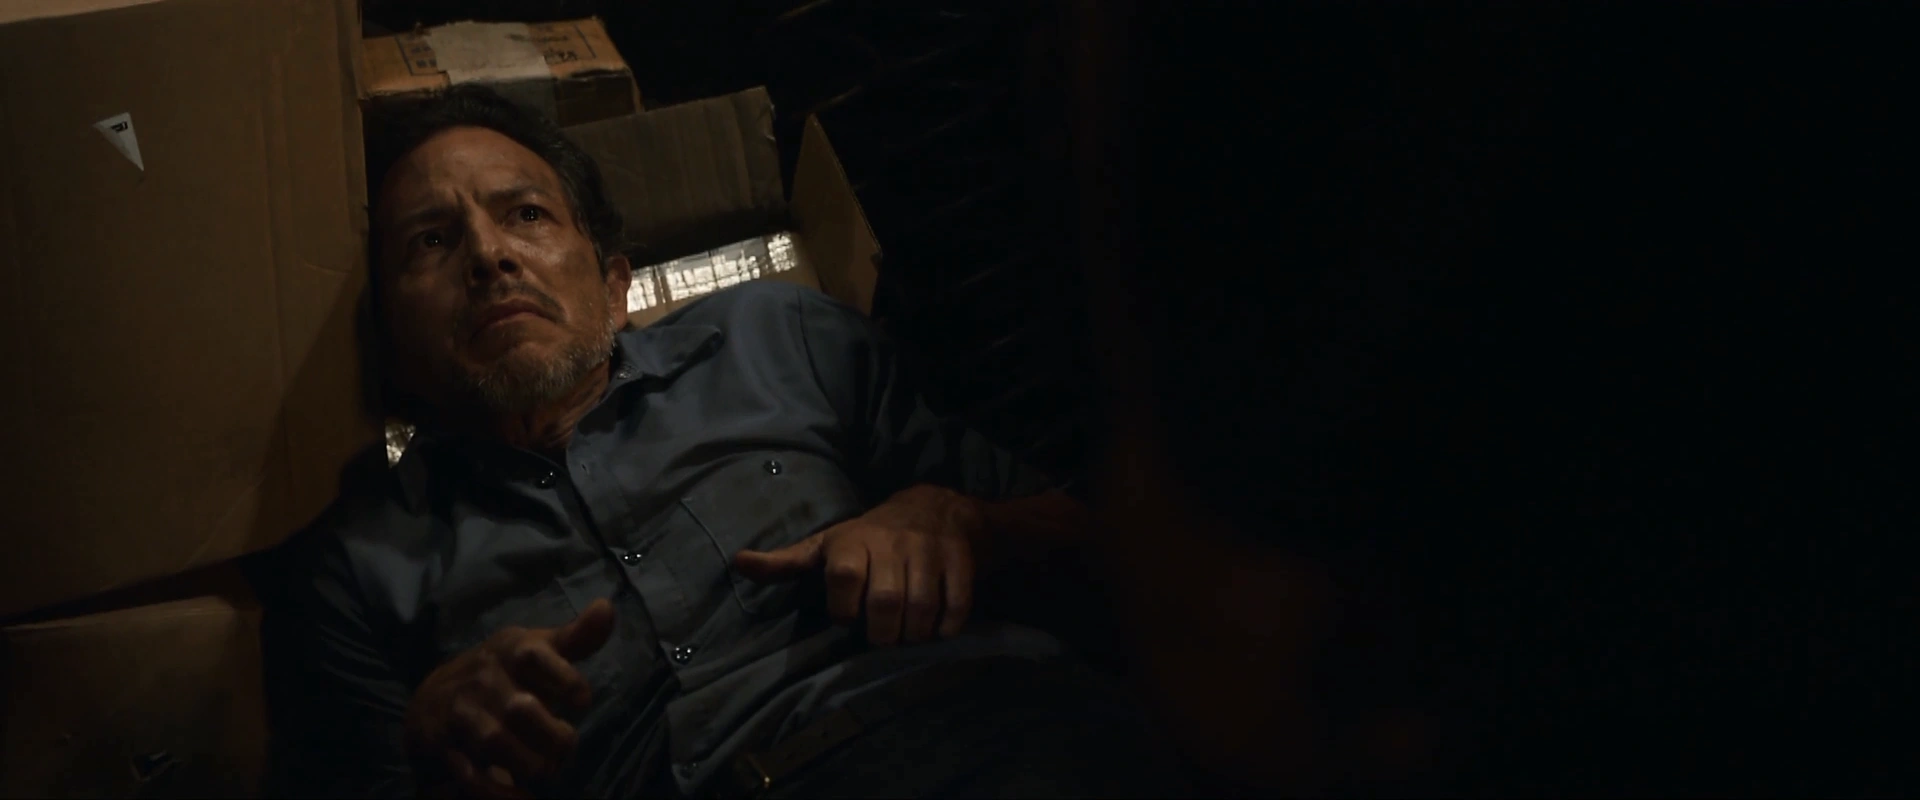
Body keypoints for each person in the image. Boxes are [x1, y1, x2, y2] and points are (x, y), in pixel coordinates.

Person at [253, 85, 1181, 800]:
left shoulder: (778, 338)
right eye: (429, 241)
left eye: (527, 214)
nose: (489, 256)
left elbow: (1122, 560)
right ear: (391, 355)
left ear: (614, 285)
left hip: (984, 741)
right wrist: (431, 750)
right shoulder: (352, 565)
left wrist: (960, 523)